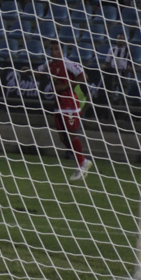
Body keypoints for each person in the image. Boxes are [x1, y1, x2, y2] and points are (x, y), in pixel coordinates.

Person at [40, 40, 92, 180]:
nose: (53, 51)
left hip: (70, 104)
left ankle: (81, 163)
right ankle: (82, 161)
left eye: (56, 49)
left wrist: (68, 85)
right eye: (51, 49)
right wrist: (29, 71)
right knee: (62, 137)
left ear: (62, 51)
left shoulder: (67, 63)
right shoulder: (49, 64)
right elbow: (39, 72)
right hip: (58, 105)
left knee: (71, 134)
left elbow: (83, 75)